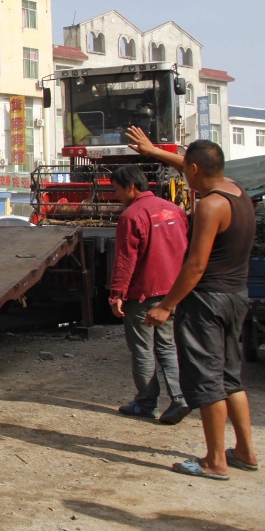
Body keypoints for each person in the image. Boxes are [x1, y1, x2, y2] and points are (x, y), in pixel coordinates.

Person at [126, 128, 258, 480]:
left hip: (207, 303)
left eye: (187, 170)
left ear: (196, 170)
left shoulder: (211, 206)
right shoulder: (237, 193)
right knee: (232, 379)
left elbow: (196, 265)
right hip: (236, 297)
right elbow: (191, 162)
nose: (184, 173)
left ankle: (215, 461)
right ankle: (245, 451)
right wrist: (154, 151)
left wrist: (167, 305)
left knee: (207, 382)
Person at [107, 164, 189, 424]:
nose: (117, 196)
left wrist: (116, 294)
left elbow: (124, 260)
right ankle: (179, 397)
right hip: (174, 292)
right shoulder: (175, 210)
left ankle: (145, 403)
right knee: (167, 346)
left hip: (144, 295)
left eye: (117, 190)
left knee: (142, 349)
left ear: (131, 187)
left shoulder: (131, 216)